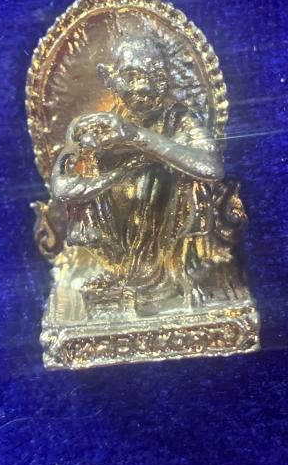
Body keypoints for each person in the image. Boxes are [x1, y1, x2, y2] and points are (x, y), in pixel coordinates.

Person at [51, 26, 224, 308]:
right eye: (131, 76)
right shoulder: (101, 125)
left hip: (165, 231)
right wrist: (108, 166)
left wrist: (138, 137)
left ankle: (174, 273)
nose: (144, 87)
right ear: (110, 78)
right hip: (115, 234)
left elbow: (211, 167)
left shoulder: (178, 119)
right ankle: (116, 269)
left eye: (156, 76)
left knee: (187, 178)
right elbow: (62, 185)